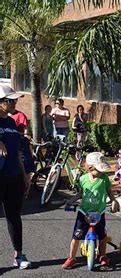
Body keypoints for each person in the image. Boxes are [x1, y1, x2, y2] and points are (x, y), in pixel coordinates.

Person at [62, 152, 120, 269]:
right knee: (76, 236)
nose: (101, 172)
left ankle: (103, 256)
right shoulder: (83, 179)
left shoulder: (104, 179)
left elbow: (109, 191)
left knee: (102, 236)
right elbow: (81, 193)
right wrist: (71, 201)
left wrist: (114, 201)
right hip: (84, 212)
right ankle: (71, 258)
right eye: (99, 170)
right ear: (90, 167)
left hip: (99, 212)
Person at [0, 85, 32, 269]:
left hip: (14, 175)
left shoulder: (11, 122)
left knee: (14, 217)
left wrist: (25, 175)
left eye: (15, 100)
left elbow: (18, 152)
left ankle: (19, 256)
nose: (15, 103)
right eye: (11, 100)